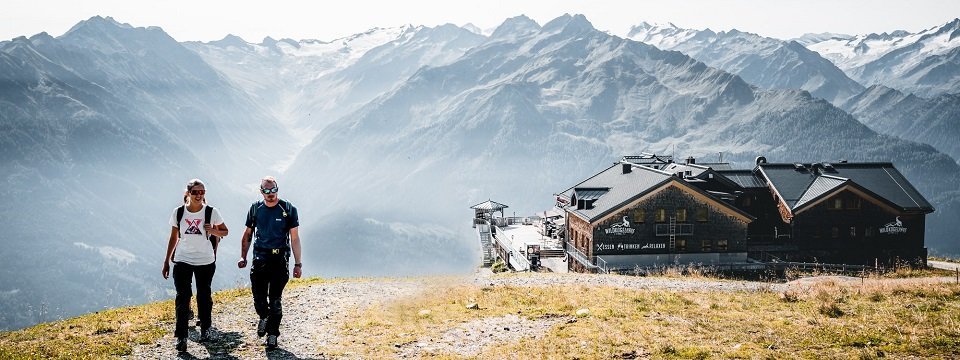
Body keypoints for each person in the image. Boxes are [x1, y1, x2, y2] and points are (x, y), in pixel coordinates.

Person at [162, 179, 229, 352]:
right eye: (195, 192)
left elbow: (225, 231)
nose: (199, 195)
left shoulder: (211, 212)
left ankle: (205, 329)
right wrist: (167, 261)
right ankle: (182, 337)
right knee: (183, 297)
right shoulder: (178, 213)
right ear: (188, 193)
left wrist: (212, 230)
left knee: (204, 296)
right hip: (183, 259)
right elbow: (173, 237)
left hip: (205, 260)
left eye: (202, 192)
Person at [238, 176, 302, 350]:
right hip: (260, 259)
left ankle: (273, 335)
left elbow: (294, 238)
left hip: (279, 260)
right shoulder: (255, 209)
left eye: (273, 190)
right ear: (261, 192)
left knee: (275, 299)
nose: (270, 194)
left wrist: (298, 264)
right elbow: (248, 234)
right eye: (266, 191)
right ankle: (263, 316)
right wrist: (243, 257)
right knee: (259, 299)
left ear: (277, 189)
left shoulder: (288, 209)